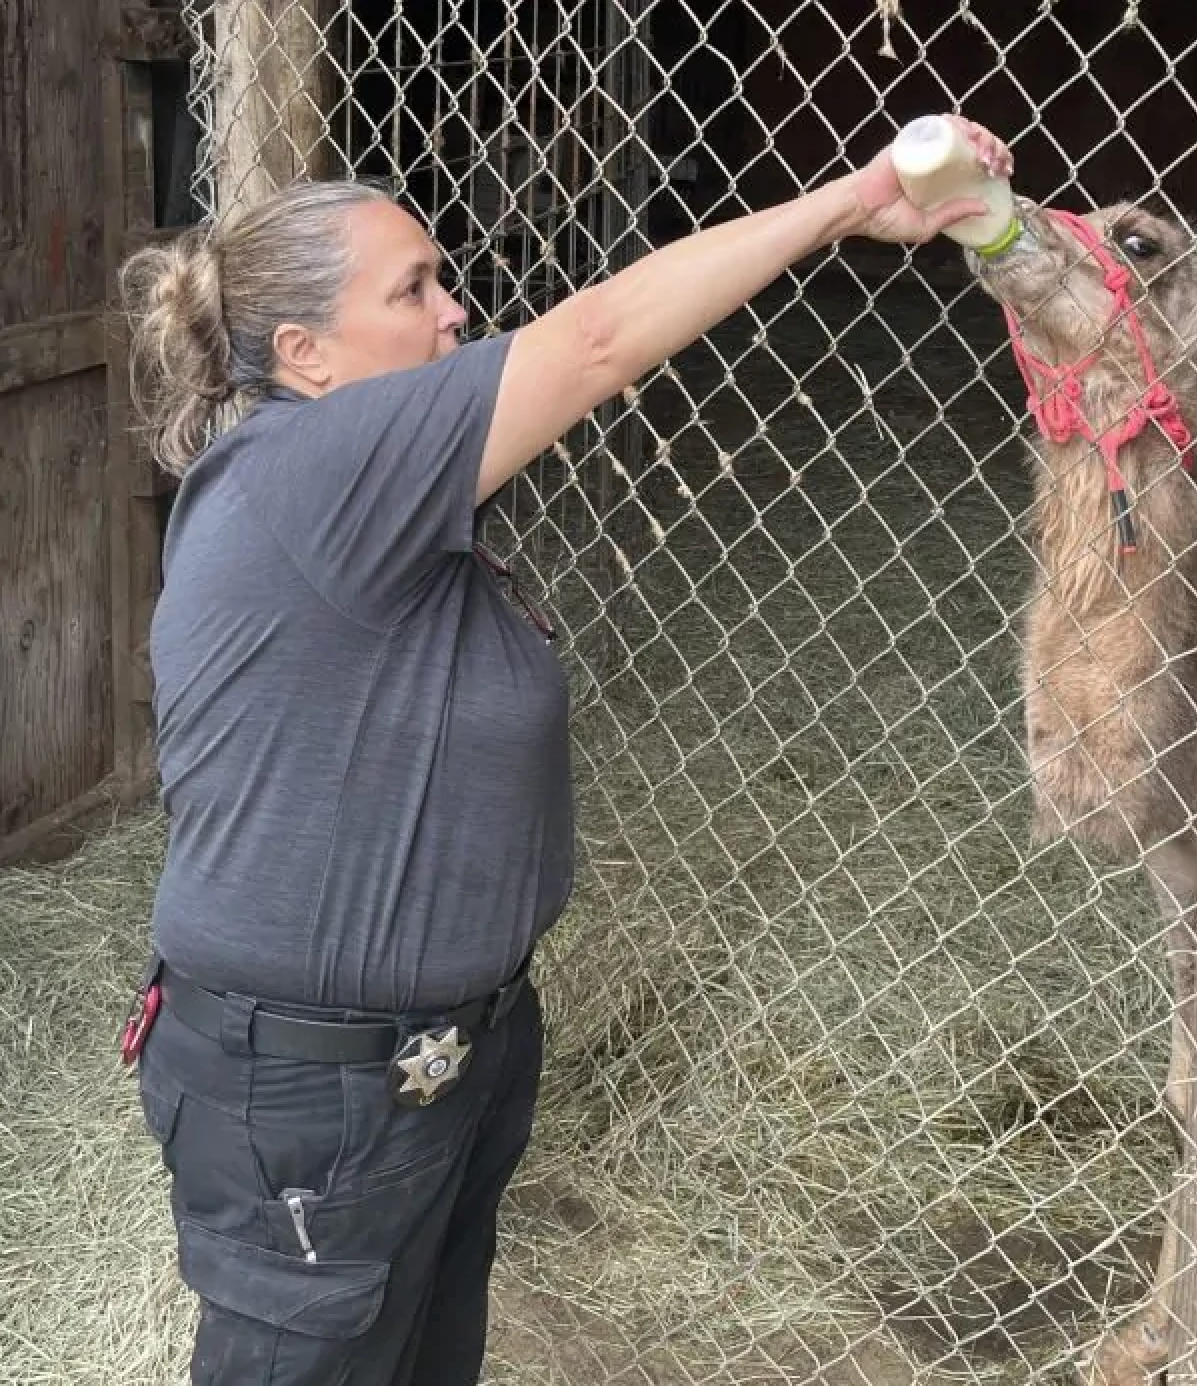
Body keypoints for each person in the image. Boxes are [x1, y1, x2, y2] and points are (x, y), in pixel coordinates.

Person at [116, 116, 1013, 1385]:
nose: (455, 311)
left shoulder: (370, 498)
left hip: (432, 1059)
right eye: (413, 290)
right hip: (315, 1090)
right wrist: (848, 204)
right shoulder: (308, 466)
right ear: (304, 354)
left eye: (442, 278)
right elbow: (596, 342)